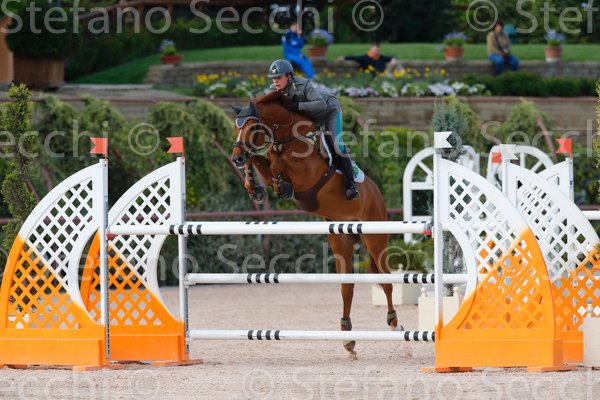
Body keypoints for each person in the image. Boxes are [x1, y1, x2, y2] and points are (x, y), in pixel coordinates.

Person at [267, 59, 359, 200]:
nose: (276, 81)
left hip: (329, 111)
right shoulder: (275, 91)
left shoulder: (303, 84)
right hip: (310, 117)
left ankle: (351, 185)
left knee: (337, 145)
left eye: (279, 77)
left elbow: (321, 104)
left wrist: (298, 106)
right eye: (274, 78)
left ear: (289, 76)